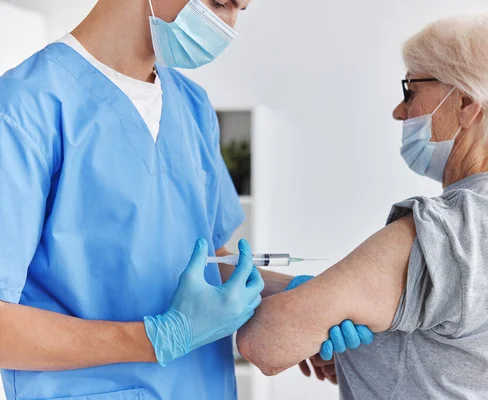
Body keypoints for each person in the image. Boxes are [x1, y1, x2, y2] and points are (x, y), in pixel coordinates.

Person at [0, 0, 371, 399]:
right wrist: (158, 338)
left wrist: (298, 299)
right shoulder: (25, 106)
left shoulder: (191, 107)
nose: (227, 26)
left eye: (239, 11)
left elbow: (208, 264)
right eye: (221, 3)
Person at [236, 12, 488, 399]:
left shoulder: (454, 229)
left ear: (467, 102)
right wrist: (345, 332)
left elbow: (265, 342)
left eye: (410, 91)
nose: (399, 111)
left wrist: (309, 312)